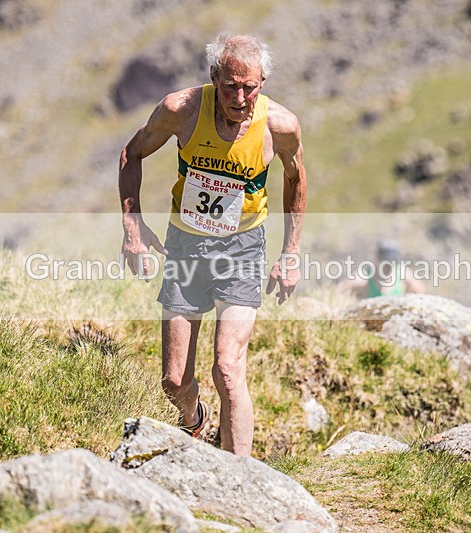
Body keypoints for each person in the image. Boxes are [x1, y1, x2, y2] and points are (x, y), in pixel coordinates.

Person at [118, 33, 306, 456]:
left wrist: (290, 253)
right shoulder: (181, 110)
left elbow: (296, 178)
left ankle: (241, 476)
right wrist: (133, 227)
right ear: (213, 77)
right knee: (173, 381)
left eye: (249, 88)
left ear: (262, 82)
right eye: (230, 86)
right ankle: (194, 421)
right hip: (186, 246)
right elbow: (132, 153)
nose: (239, 98)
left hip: (242, 249)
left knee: (228, 368)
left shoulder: (280, 125)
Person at [343, 239, 426, 298]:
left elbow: (422, 296)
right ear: (377, 258)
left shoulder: (403, 274)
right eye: (386, 263)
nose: (389, 266)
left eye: (393, 262)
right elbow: (340, 292)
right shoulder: (363, 278)